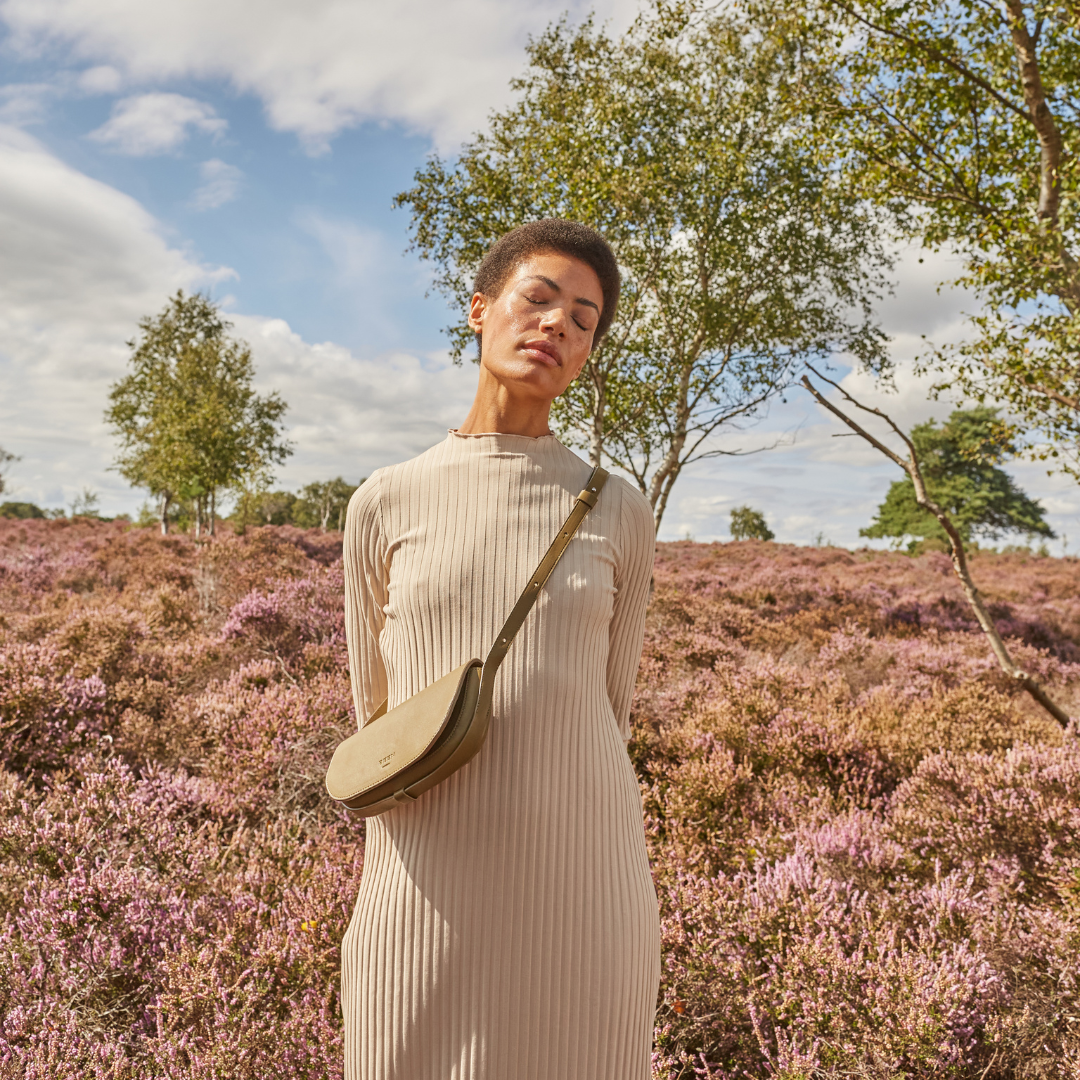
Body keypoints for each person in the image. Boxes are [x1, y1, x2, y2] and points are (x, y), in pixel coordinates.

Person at [340, 219, 660, 1080]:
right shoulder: (384, 500)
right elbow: (375, 707)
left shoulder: (619, 509)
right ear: (480, 310)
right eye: (540, 298)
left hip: (583, 869)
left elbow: (611, 706)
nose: (558, 324)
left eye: (585, 319)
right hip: (425, 863)